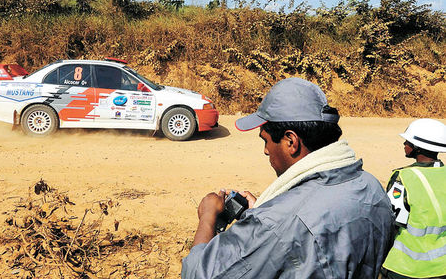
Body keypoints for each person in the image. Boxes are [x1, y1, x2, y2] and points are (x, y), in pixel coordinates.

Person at [182, 77, 394, 278]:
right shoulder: (372, 187)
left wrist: (208, 217)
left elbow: (198, 274)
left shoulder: (275, 223)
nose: (266, 151)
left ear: (291, 141)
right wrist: (264, 211)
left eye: (265, 140)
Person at [382, 118, 446, 279]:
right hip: (442, 267)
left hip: (405, 268)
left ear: (417, 147)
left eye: (408, 141)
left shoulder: (403, 177)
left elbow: (392, 222)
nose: (404, 144)